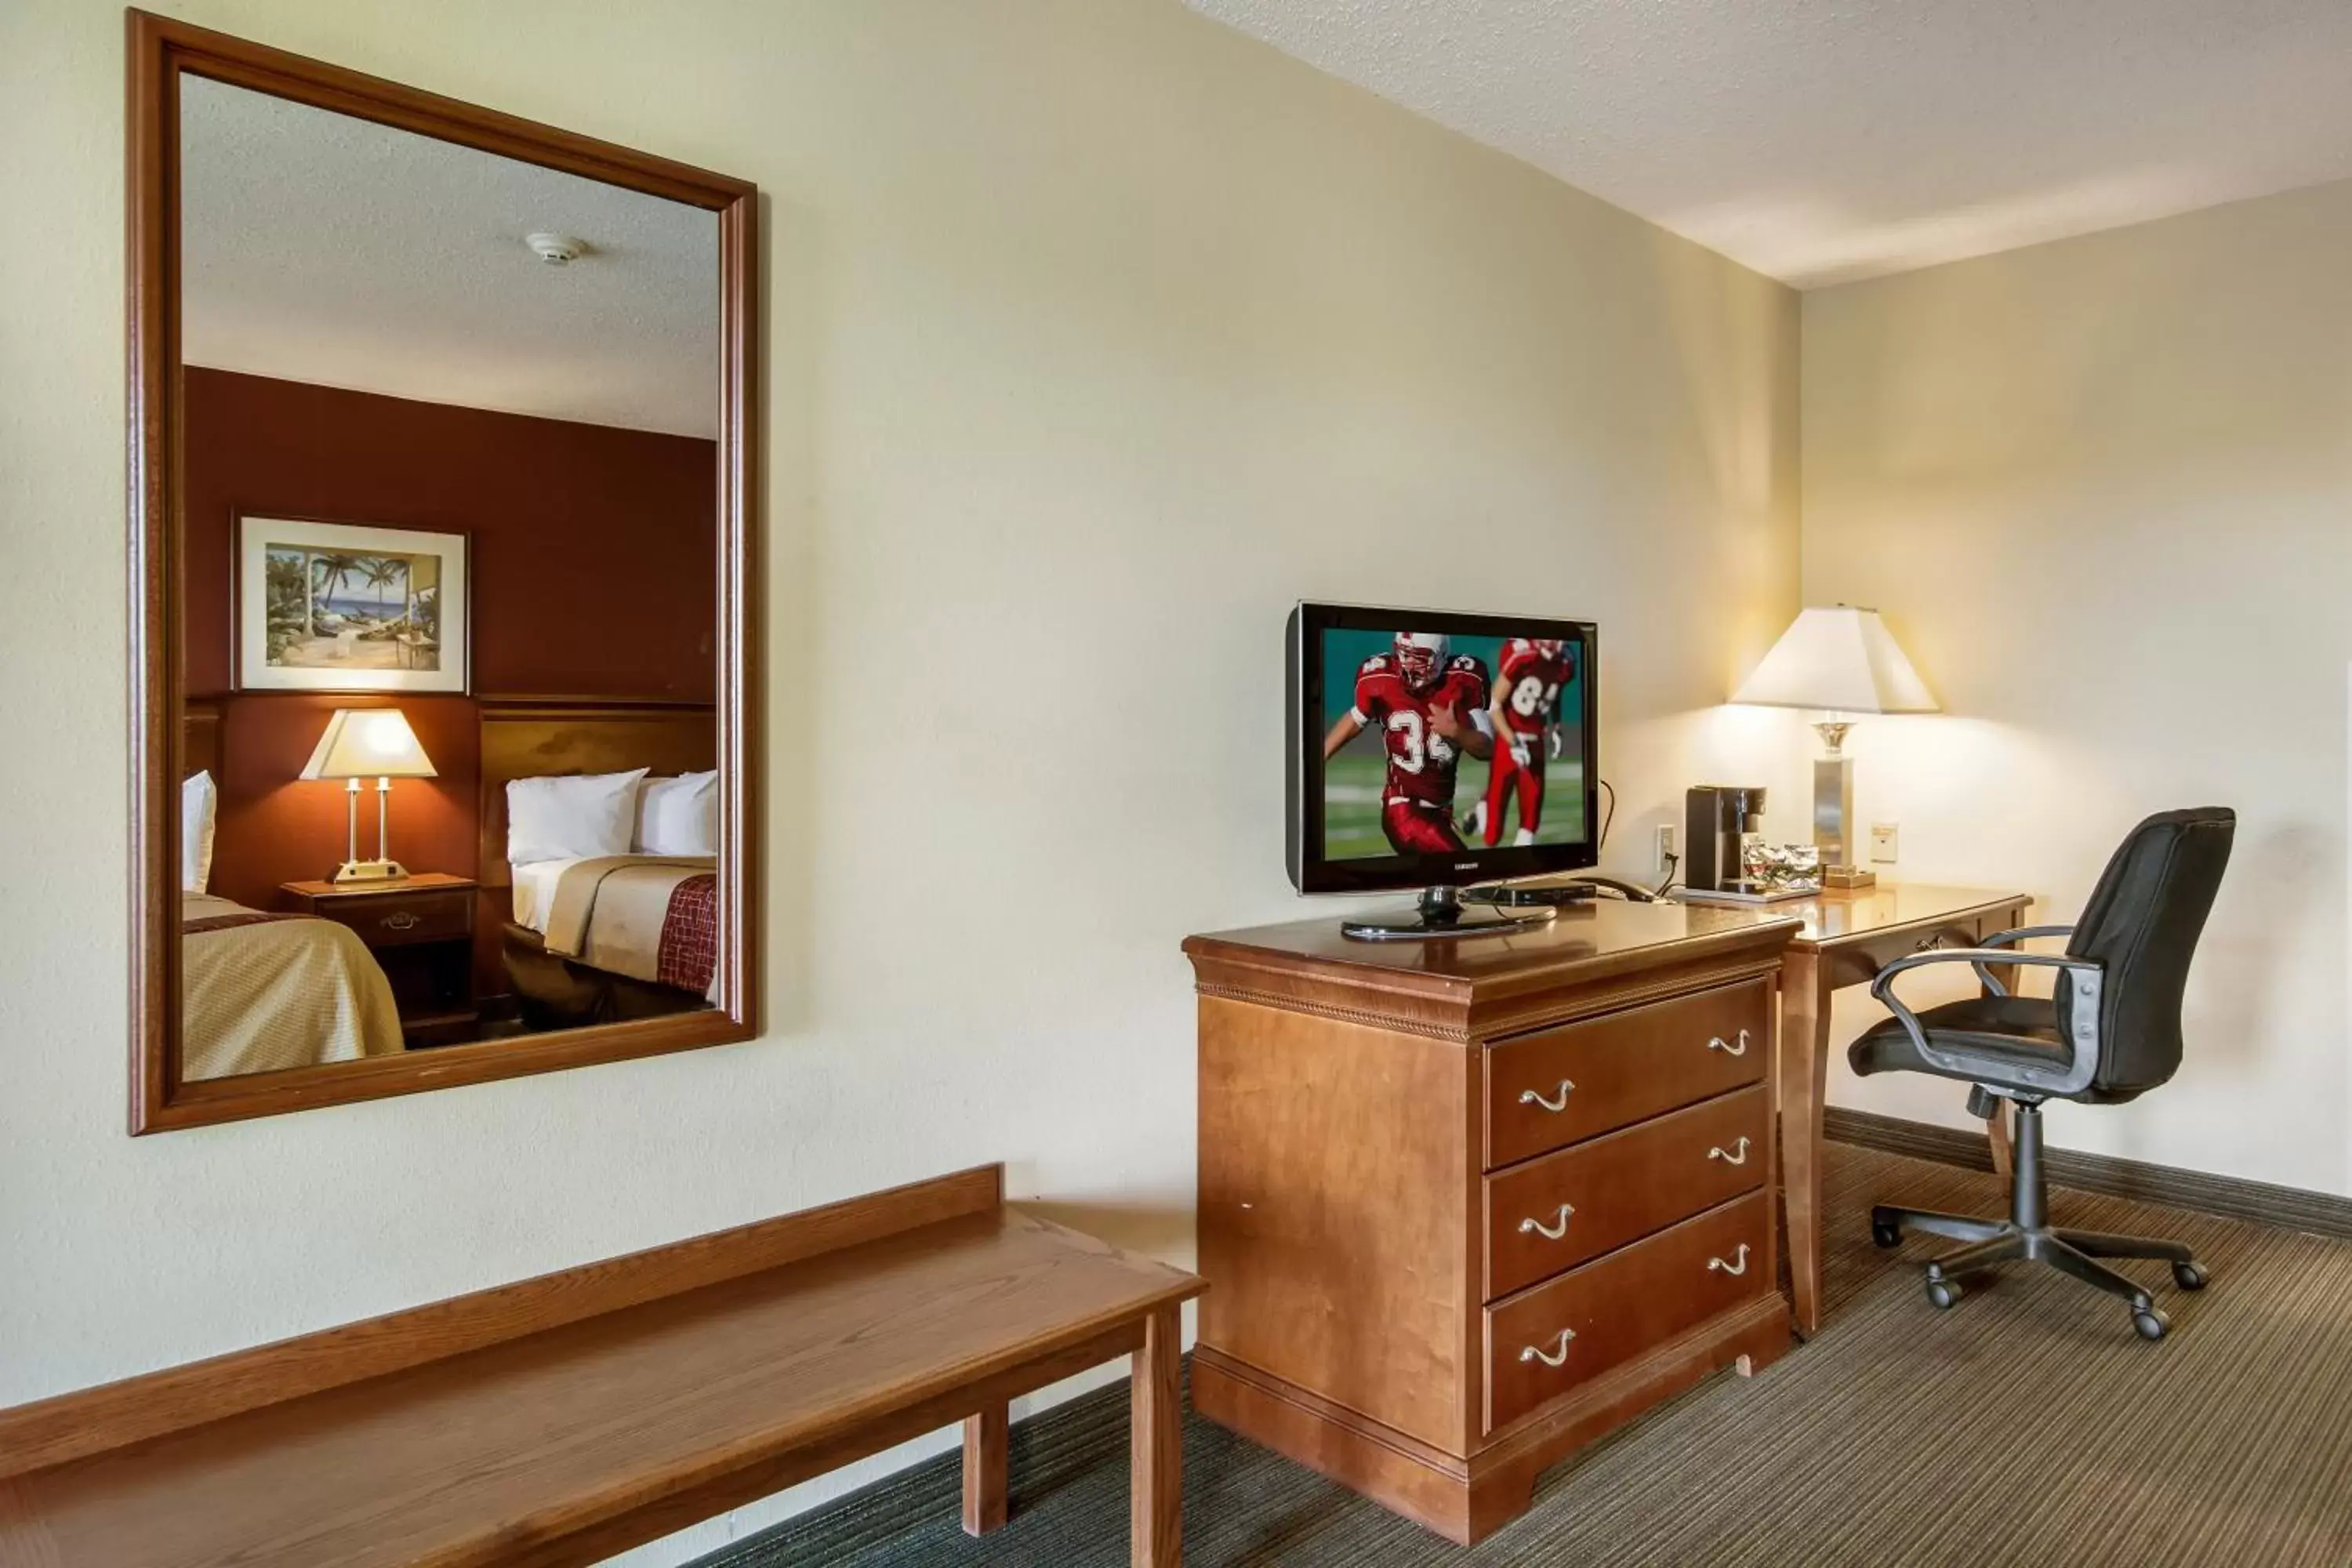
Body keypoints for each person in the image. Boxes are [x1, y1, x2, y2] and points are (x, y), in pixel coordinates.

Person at [1322, 631, 1493, 855]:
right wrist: (1318, 759)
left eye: (1419, 658)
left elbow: (1488, 748)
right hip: (1403, 809)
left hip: (1440, 812)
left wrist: (1456, 732)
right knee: (1463, 871)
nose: (1408, 664)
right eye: (1404, 655)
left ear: (1440, 658)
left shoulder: (1463, 680)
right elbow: (1356, 717)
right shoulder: (1381, 678)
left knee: (1445, 882)